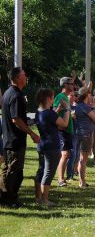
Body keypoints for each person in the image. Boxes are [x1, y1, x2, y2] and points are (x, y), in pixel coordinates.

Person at [0, 67, 40, 207]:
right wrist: (32, 133)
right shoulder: (15, 95)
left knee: (10, 170)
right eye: (24, 74)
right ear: (17, 78)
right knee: (14, 171)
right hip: (14, 139)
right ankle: (8, 200)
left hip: (10, 138)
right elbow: (16, 119)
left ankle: (7, 198)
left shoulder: (9, 93)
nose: (26, 76)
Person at [34, 89, 70, 206]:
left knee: (41, 171)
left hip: (42, 144)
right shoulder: (50, 113)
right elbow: (64, 123)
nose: (54, 99)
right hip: (51, 146)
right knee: (48, 172)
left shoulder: (39, 112)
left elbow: (49, 119)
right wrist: (67, 109)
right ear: (49, 98)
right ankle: (45, 200)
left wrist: (58, 110)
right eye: (53, 97)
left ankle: (38, 198)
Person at [75, 87, 95, 188]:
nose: (91, 95)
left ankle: (82, 180)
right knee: (83, 159)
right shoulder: (85, 106)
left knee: (82, 158)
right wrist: (93, 108)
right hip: (86, 134)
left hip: (81, 133)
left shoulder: (79, 106)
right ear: (86, 95)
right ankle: (82, 182)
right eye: (89, 93)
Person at [54, 76, 74, 187]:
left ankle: (62, 178)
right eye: (71, 83)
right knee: (65, 154)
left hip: (67, 130)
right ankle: (60, 179)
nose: (73, 85)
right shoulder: (60, 96)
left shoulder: (66, 97)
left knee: (67, 154)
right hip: (62, 130)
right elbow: (54, 113)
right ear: (65, 85)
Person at [66, 91, 79, 181]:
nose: (73, 97)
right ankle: (69, 175)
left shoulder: (76, 107)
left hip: (78, 133)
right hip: (70, 133)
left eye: (74, 96)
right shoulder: (65, 107)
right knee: (72, 154)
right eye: (71, 95)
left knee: (77, 155)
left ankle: (72, 174)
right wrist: (71, 116)